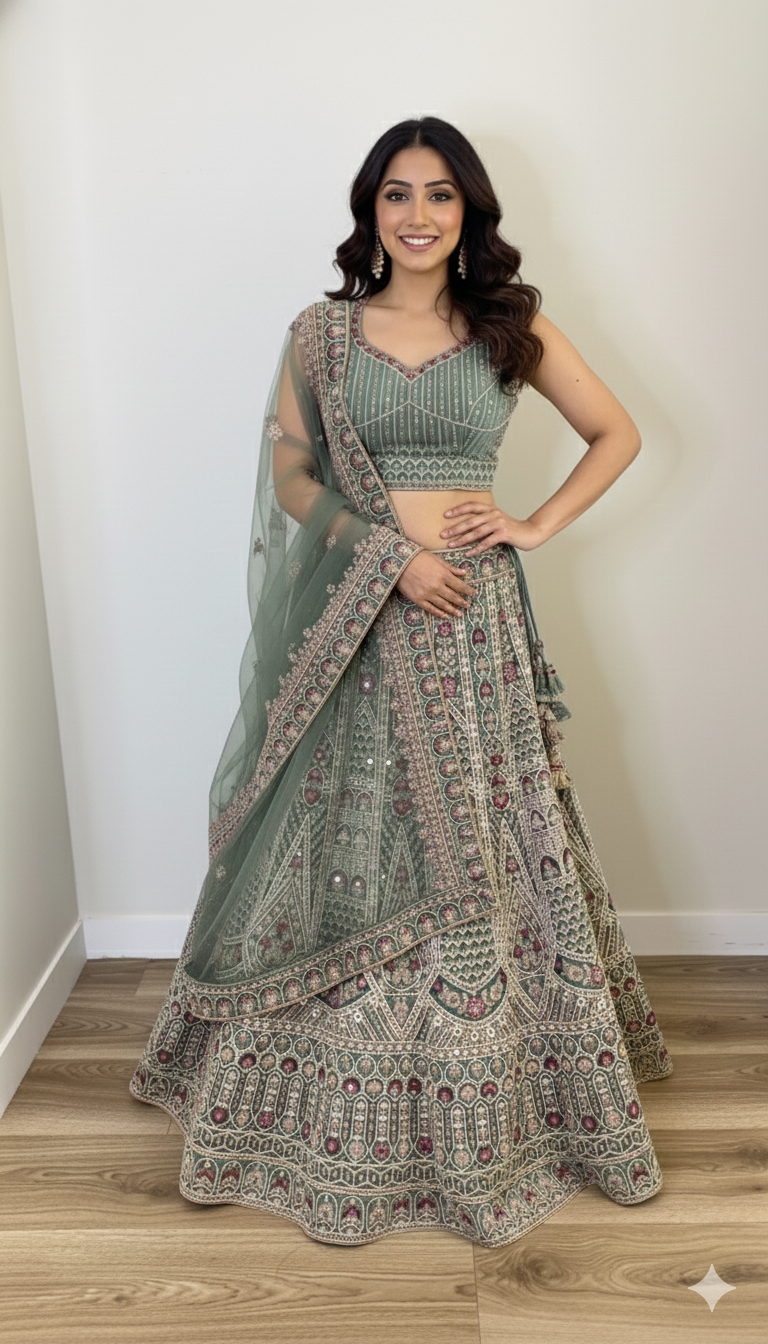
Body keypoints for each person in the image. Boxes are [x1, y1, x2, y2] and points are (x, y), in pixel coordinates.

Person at [130, 116, 672, 1246]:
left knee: (482, 836)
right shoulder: (320, 335)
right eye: (394, 195)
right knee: (345, 831)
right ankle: (311, 1097)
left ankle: (500, 1097)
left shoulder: (507, 327)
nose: (417, 215)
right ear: (368, 211)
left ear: (469, 211)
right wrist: (392, 557)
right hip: (362, 615)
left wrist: (531, 525)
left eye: (438, 195)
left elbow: (615, 432)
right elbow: (287, 469)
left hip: (472, 626)